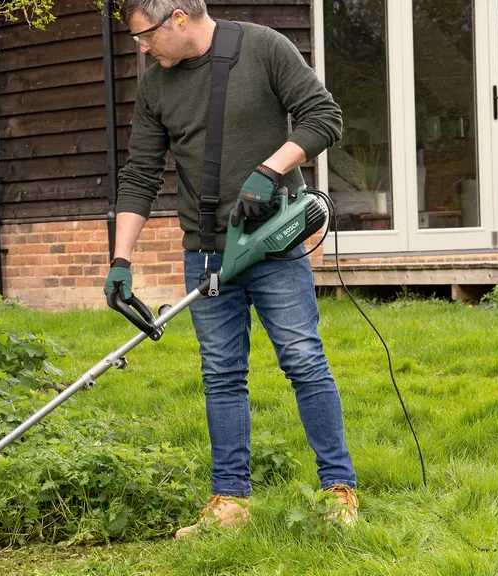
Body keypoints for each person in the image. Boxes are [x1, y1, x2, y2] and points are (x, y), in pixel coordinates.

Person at [103, 0, 358, 539]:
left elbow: (323, 116)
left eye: (144, 36)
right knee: (221, 373)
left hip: (272, 242)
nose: (142, 48)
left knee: (302, 358)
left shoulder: (263, 47)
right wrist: (120, 260)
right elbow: (141, 174)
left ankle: (339, 490)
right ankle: (230, 502)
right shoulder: (155, 85)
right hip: (206, 249)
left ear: (176, 17)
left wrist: (271, 169)